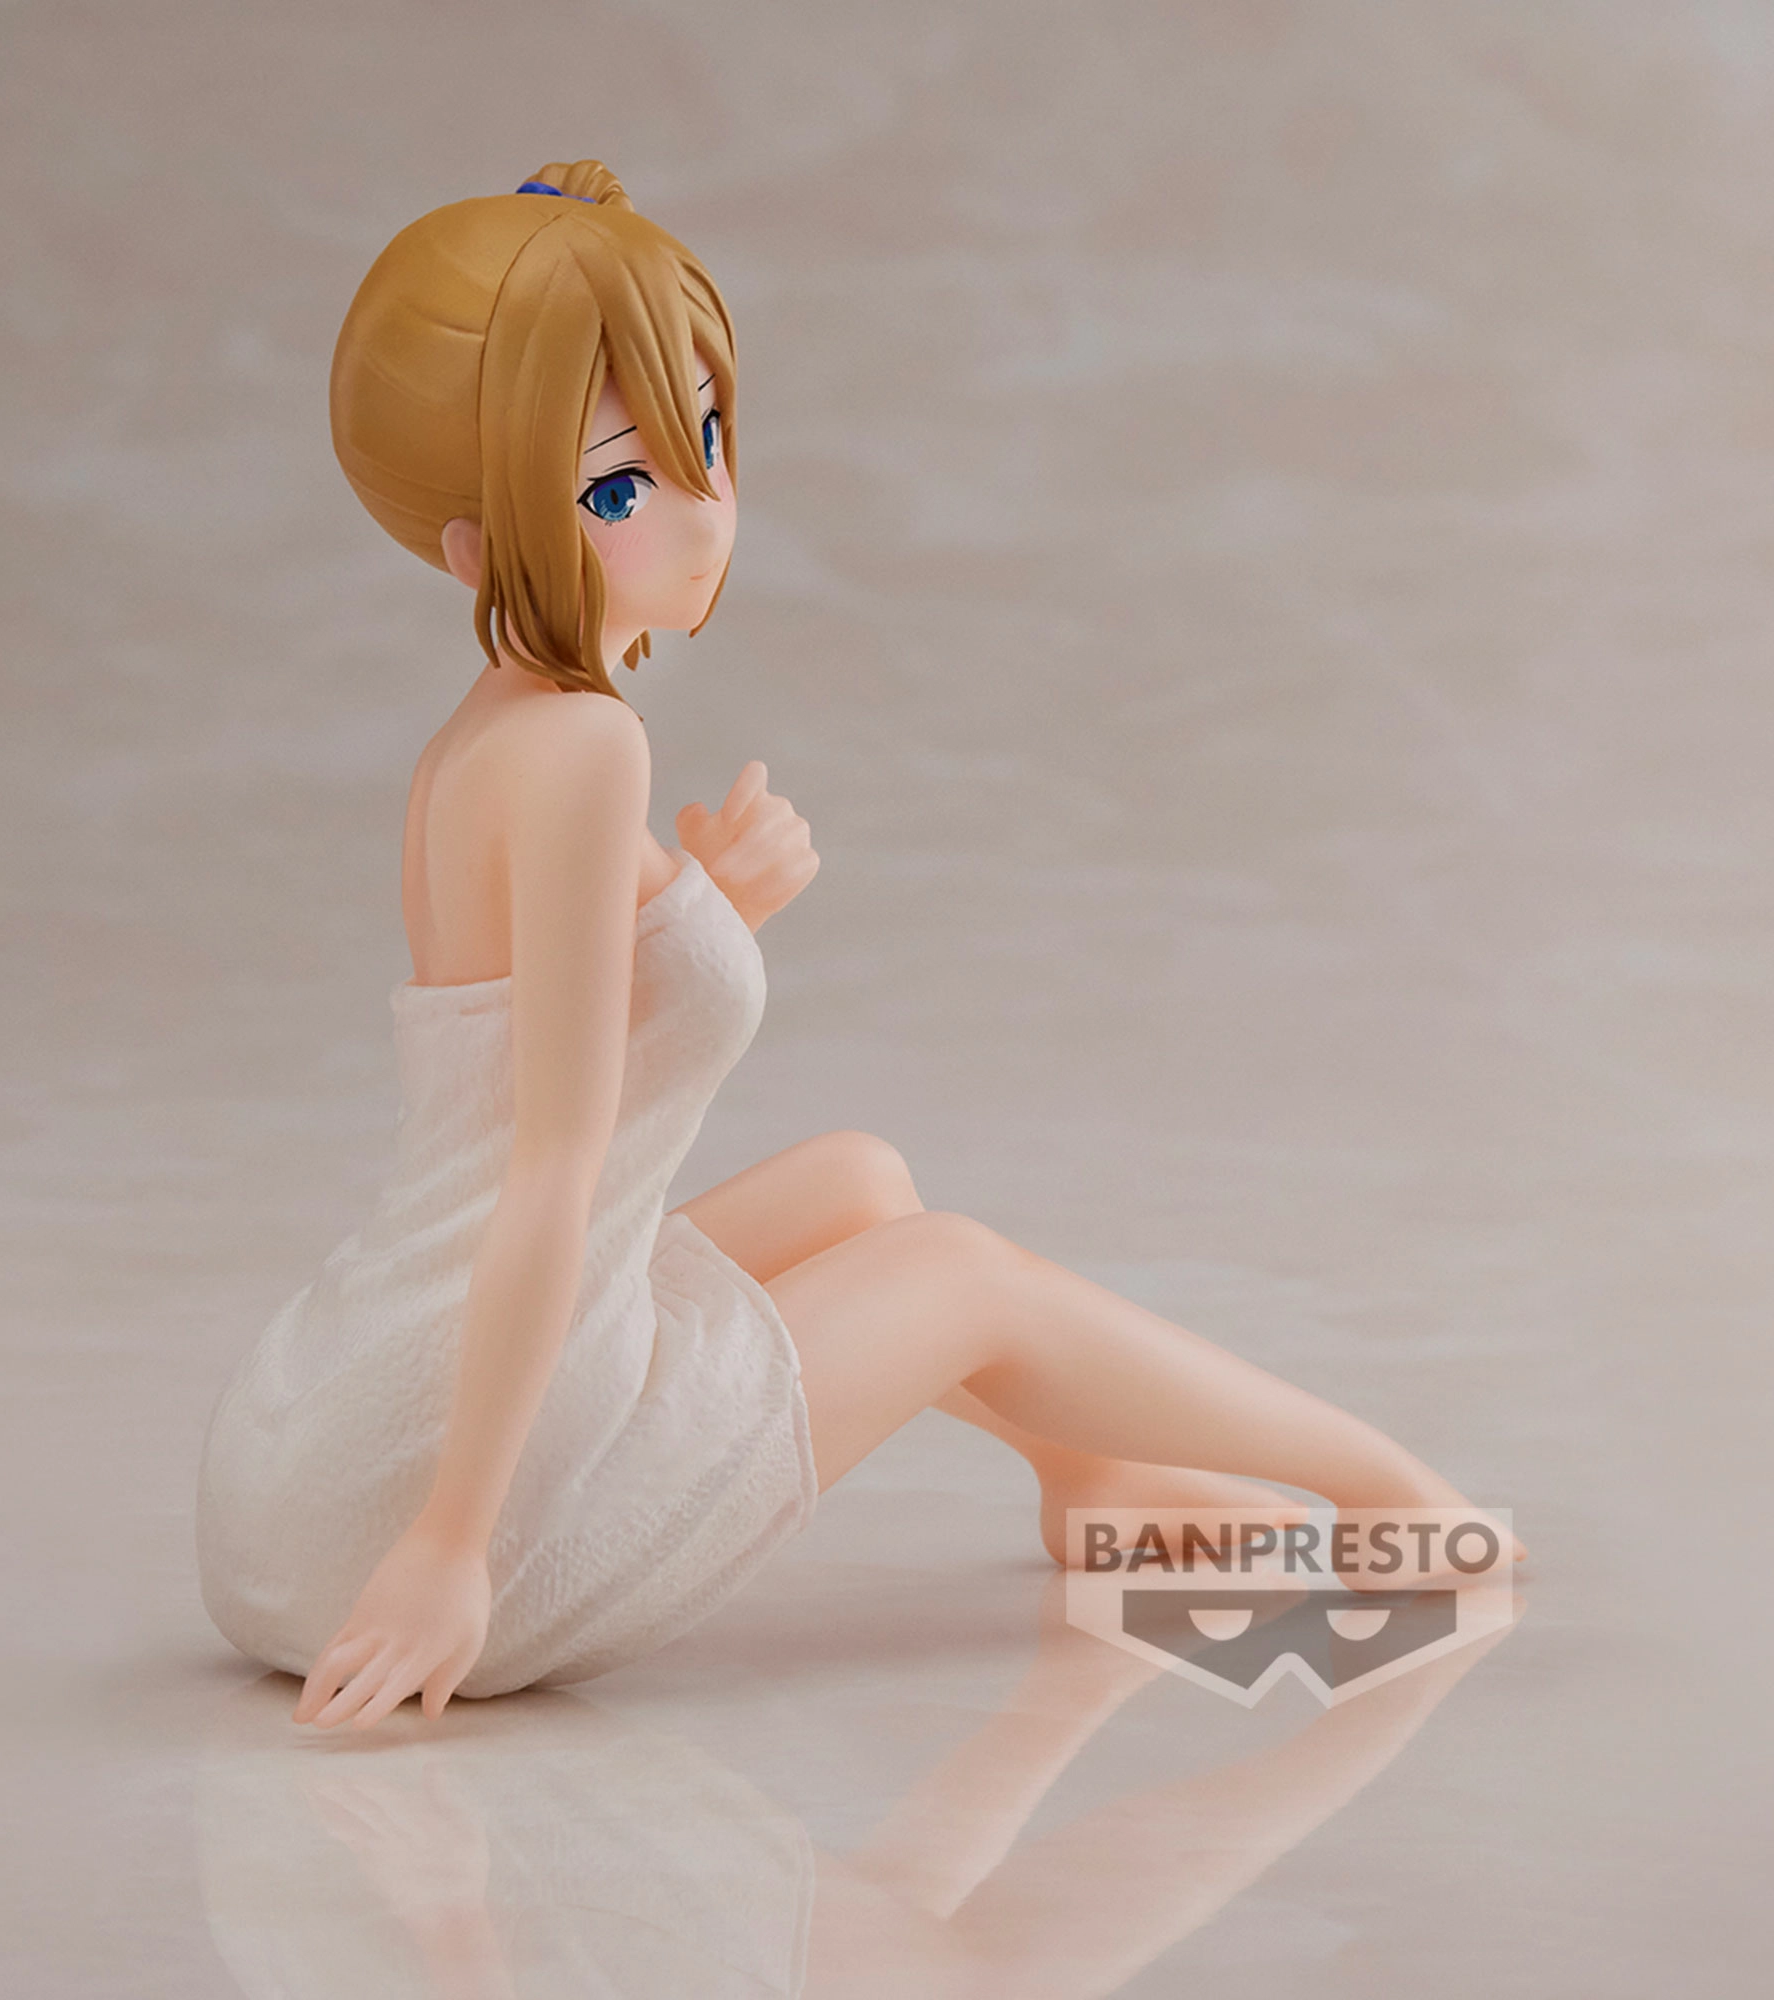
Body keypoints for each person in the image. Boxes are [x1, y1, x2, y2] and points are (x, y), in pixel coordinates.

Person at [193, 159, 1520, 1735]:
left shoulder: (492, 737)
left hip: (308, 1456)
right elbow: (550, 1163)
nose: (703, 511)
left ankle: (1090, 1481)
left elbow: (510, 1043)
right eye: (616, 490)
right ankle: (1387, 1494)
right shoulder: (583, 752)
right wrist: (450, 1548)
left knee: (859, 1185)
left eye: (704, 440)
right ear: (480, 548)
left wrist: (703, 912)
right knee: (961, 1278)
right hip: (427, 1504)